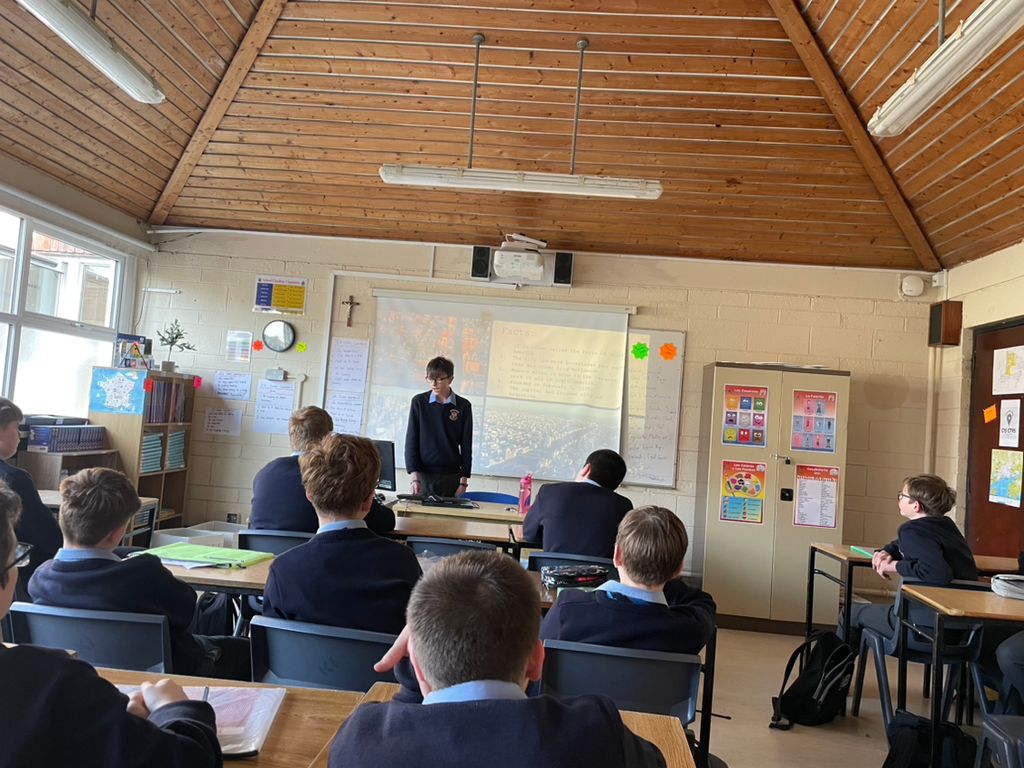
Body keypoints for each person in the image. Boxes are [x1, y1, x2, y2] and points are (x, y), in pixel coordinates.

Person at [328, 550, 665, 768]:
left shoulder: (361, 741)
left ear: (414, 664)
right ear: (537, 659)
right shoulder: (594, 731)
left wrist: (414, 681)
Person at [0, 480, 223, 768]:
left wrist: (114, 721)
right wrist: (175, 709)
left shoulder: (42, 578)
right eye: (17, 557)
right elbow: (193, 760)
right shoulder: (55, 684)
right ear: (118, 532)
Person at [28, 468, 250, 680]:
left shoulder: (40, 579)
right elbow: (187, 610)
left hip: (78, 674)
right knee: (248, 649)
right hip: (165, 672)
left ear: (62, 519)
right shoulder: (144, 573)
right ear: (117, 533)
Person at [262, 433, 421, 633]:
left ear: (309, 496)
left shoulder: (283, 571)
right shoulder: (403, 562)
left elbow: (271, 644)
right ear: (369, 501)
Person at [541, 506, 715, 655]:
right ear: (678, 569)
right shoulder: (690, 630)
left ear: (617, 555)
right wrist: (661, 574)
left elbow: (539, 670)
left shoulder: (567, 610)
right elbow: (703, 602)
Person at [847, 474, 977, 646]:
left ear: (916, 506)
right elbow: (906, 544)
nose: (899, 498)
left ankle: (836, 664)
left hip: (921, 628)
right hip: (961, 631)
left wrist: (894, 566)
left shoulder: (911, 531)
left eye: (902, 495)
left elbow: (938, 573)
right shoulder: (945, 525)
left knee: (849, 613)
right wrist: (887, 551)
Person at [250, 406, 394, 534]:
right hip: (317, 553)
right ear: (328, 438)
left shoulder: (264, 474)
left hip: (262, 554)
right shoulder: (333, 474)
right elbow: (382, 522)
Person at [523, 449, 633, 558]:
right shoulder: (624, 506)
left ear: (587, 469)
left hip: (553, 568)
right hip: (602, 570)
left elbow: (529, 535)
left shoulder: (550, 492)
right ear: (617, 483)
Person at [0, 398, 61, 585]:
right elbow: (49, 539)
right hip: (24, 575)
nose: (20, 435)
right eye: (16, 427)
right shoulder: (14, 479)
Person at [405, 356, 472, 498]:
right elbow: (411, 440)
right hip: (424, 476)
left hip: (452, 476)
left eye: (439, 379)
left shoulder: (463, 406)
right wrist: (414, 478)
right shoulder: (419, 402)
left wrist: (463, 482)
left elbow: (466, 444)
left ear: (451, 379)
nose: (434, 384)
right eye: (430, 379)